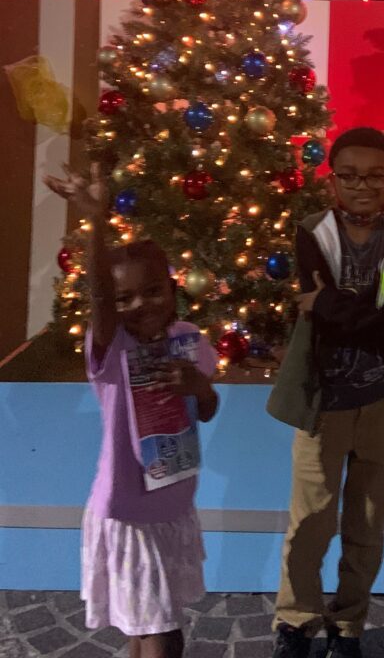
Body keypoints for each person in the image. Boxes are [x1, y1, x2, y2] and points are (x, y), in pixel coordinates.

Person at [267, 127, 384, 658]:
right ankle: (295, 623)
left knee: (366, 522)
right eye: (349, 175)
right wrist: (358, 314)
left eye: (375, 175)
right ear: (333, 180)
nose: (362, 186)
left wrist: (327, 305)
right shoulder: (312, 233)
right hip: (325, 404)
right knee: (310, 524)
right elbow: (367, 322)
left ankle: (349, 624)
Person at [44, 163, 219, 658]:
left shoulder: (189, 342)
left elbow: (207, 410)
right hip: (127, 512)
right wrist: (96, 223)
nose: (141, 304)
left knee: (149, 629)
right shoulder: (112, 350)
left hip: (174, 504)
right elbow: (98, 296)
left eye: (154, 290)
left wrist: (199, 386)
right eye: (125, 298)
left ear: (173, 288)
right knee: (164, 635)